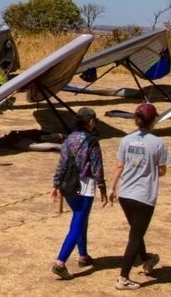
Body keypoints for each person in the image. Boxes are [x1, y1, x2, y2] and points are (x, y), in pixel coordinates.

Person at [108, 103, 169, 290]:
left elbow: (119, 166)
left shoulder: (126, 140)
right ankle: (123, 277)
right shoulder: (158, 144)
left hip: (125, 193)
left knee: (137, 231)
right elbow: (162, 170)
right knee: (135, 236)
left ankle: (147, 260)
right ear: (153, 120)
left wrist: (112, 188)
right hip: (144, 196)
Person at [50, 107, 108, 280]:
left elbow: (62, 163)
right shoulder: (92, 141)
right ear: (90, 122)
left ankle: (83, 255)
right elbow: (97, 167)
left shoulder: (69, 139)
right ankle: (60, 262)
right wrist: (102, 188)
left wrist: (56, 183)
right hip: (84, 186)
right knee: (77, 223)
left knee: (81, 219)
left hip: (67, 186)